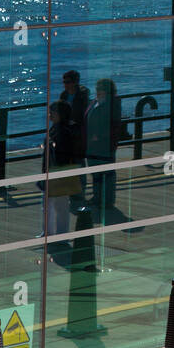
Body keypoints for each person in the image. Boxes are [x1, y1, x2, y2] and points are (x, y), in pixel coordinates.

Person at [41, 101, 79, 254]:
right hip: (53, 170)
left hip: (59, 171)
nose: (50, 115)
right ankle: (49, 232)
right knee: (49, 204)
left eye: (53, 112)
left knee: (59, 205)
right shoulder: (58, 129)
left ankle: (60, 234)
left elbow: (64, 153)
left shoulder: (64, 131)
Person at [85, 79, 121, 216]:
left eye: (101, 88)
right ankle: (97, 197)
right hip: (92, 144)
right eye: (97, 88)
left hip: (104, 144)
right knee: (96, 173)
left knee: (107, 174)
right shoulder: (95, 101)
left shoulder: (112, 105)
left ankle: (107, 201)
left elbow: (114, 125)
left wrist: (99, 136)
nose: (98, 90)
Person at [59, 70, 90, 206]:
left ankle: (80, 192)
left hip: (78, 135)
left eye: (68, 82)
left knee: (79, 163)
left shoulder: (83, 95)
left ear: (75, 82)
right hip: (66, 134)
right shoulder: (64, 95)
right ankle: (72, 192)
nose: (65, 85)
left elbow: (84, 114)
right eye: (64, 82)